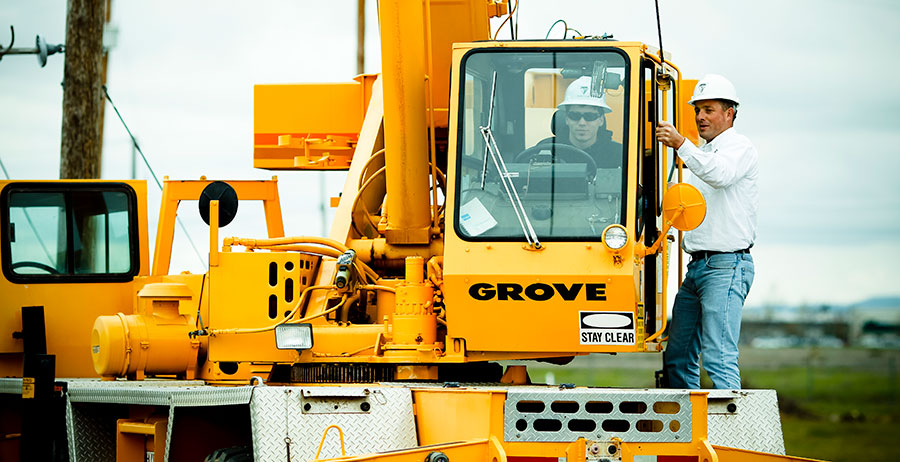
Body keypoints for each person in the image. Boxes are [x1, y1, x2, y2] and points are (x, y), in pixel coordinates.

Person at [655, 74, 759, 389]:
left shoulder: (738, 148)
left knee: (718, 356)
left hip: (726, 266)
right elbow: (679, 198)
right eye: (698, 109)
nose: (700, 116)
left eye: (709, 109)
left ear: (730, 113)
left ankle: (730, 432)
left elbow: (721, 175)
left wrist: (681, 145)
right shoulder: (700, 155)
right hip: (698, 266)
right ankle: (690, 430)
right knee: (678, 355)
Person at [537, 76, 623, 170]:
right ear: (566, 119)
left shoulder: (619, 154)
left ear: (601, 120)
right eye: (575, 116)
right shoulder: (546, 149)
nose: (582, 122)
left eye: (590, 116)